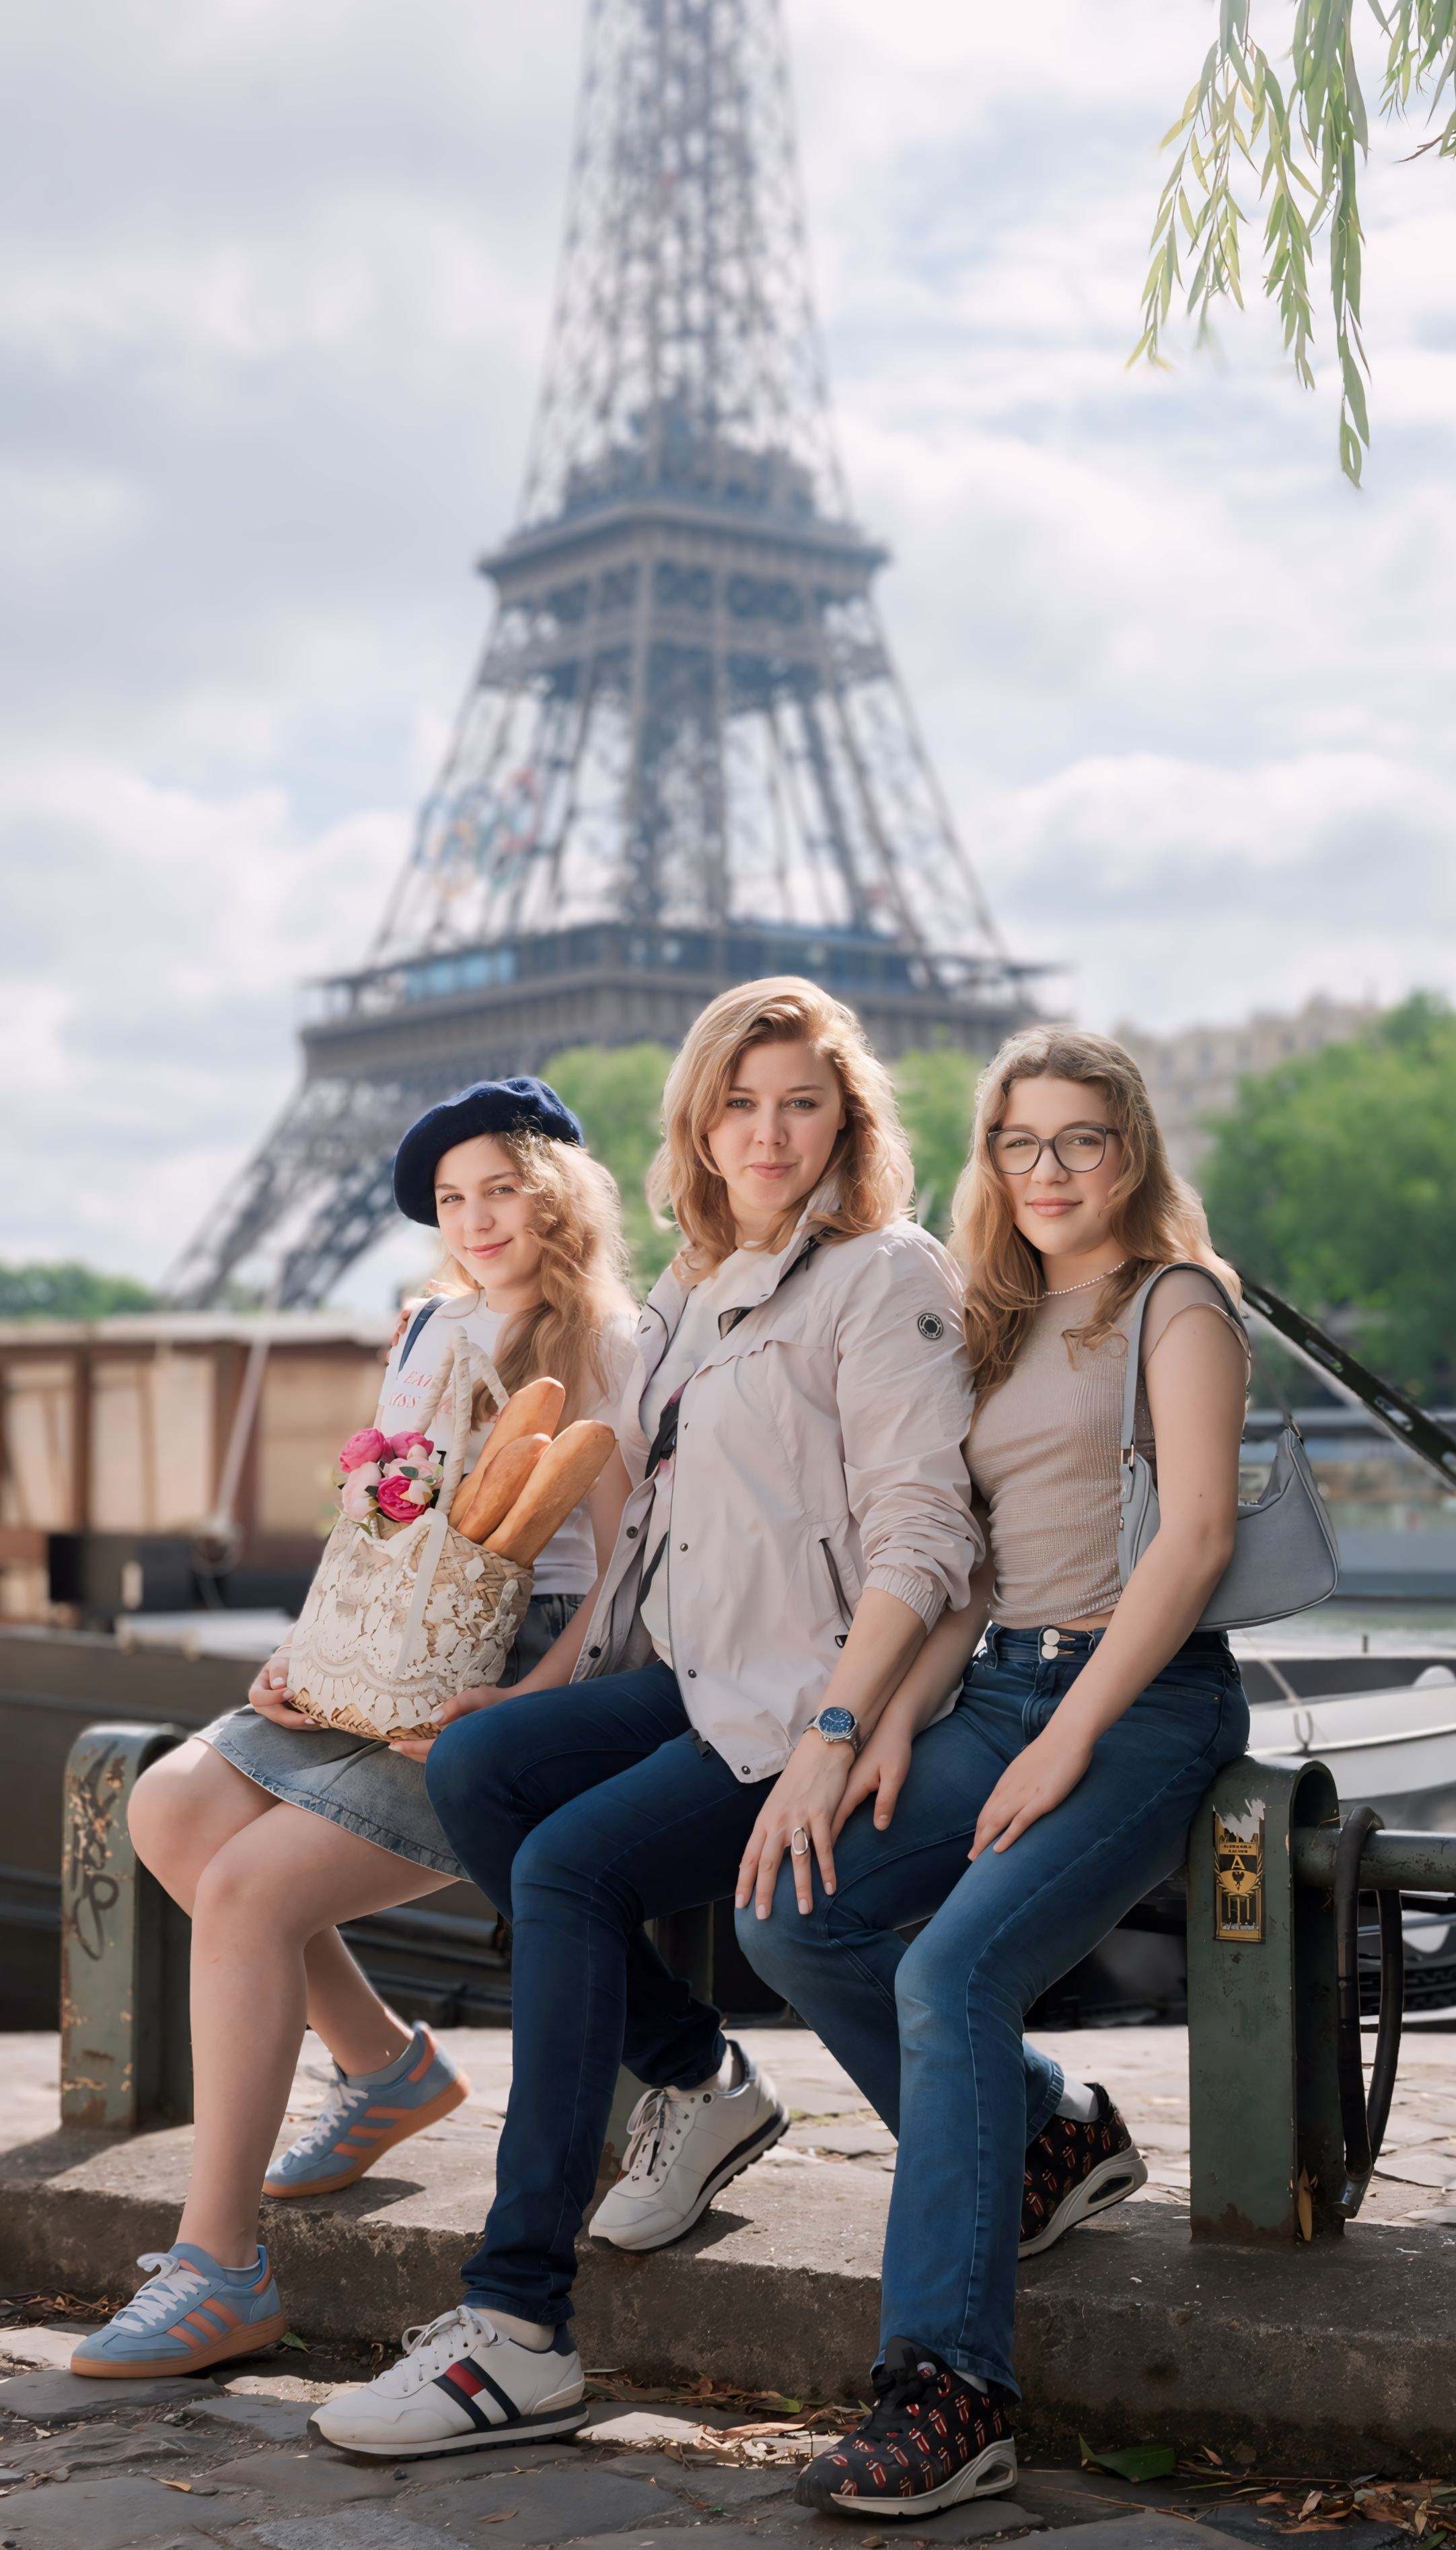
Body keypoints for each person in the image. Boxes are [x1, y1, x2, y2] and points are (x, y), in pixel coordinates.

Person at [309, 976, 980, 2458]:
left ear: (847, 1117)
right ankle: (698, 2073)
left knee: (567, 1868)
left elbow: (929, 1535)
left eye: (802, 1099)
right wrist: (541, 1689)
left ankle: (517, 2323)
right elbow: (653, 1543)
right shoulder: (689, 1290)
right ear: (697, 1119)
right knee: (486, 1762)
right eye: (739, 1101)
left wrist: (835, 1733)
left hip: (806, 1707)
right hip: (699, 1683)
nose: (768, 1129)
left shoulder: (886, 1273)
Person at [737, 1025, 1253, 2516]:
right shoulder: (1003, 1310)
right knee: (791, 1912)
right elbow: (976, 1547)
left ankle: (950, 2389)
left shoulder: (1180, 1301)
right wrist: (899, 1707)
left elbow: (1197, 1536)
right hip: (997, 1680)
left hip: (1143, 1702)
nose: (1046, 1169)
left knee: (949, 1970)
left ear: (1131, 1147)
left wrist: (1077, 1729)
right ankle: (1051, 2127)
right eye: (1018, 1142)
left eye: (1078, 1139)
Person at [71, 1077, 636, 2381]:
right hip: (373, 1656)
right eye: (452, 1199)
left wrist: (533, 1695)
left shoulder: (609, 1337)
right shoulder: (430, 1324)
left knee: (253, 1890)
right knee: (168, 1805)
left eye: (501, 1187)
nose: (477, 1217)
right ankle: (383, 2065)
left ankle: (220, 2266)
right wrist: (303, 1653)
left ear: (557, 1190)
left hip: (504, 1687)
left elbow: (626, 1568)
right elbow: (382, 1530)